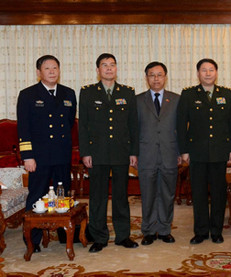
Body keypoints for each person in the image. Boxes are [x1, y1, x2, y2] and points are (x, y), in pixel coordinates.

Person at [79, 53, 139, 252]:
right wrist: (85, 152)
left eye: (112, 65)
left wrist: (134, 151)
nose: (109, 68)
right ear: (98, 70)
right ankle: (99, 237)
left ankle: (123, 236)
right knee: (98, 197)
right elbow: (84, 126)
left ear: (116, 68)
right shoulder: (87, 92)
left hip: (122, 152)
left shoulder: (127, 92)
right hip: (97, 153)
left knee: (121, 196)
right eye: (104, 65)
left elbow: (133, 125)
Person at [17, 55, 76, 252]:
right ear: (39, 72)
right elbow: (23, 129)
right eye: (47, 68)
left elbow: (69, 125)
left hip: (61, 154)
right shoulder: (27, 95)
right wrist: (27, 156)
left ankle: (63, 233)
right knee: (36, 196)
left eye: (55, 68)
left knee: (62, 195)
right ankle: (32, 240)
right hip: (38, 157)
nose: (52, 71)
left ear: (59, 70)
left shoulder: (69, 93)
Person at [177, 58, 231, 244]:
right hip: (197, 152)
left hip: (219, 151)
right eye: (204, 70)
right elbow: (181, 125)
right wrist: (184, 150)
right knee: (199, 193)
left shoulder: (226, 94)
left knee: (219, 193)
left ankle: (217, 231)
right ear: (198, 74)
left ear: (216, 73)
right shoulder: (188, 94)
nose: (208, 73)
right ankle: (201, 231)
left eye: (211, 70)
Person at [137, 62, 181, 246]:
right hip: (145, 154)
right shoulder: (137, 100)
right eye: (152, 75)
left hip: (170, 153)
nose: (156, 79)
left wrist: (181, 152)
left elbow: (183, 129)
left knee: (167, 193)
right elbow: (132, 130)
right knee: (148, 193)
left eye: (159, 75)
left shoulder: (177, 99)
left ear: (166, 77)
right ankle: (148, 230)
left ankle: (164, 229)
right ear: (146, 78)